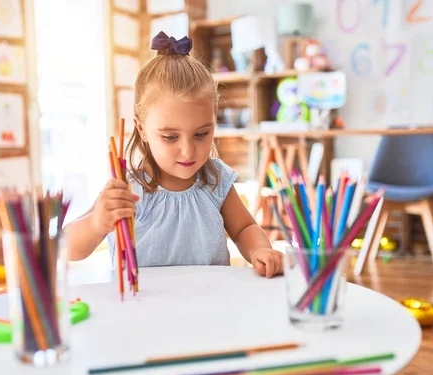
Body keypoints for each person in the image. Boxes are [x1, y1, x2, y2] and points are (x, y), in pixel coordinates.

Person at [66, 32, 283, 278]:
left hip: (210, 305)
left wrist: (260, 251)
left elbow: (244, 227)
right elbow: (69, 248)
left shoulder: (216, 180)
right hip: (145, 311)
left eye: (201, 133)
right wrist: (96, 223)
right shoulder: (128, 187)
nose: (188, 150)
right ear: (142, 129)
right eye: (170, 137)